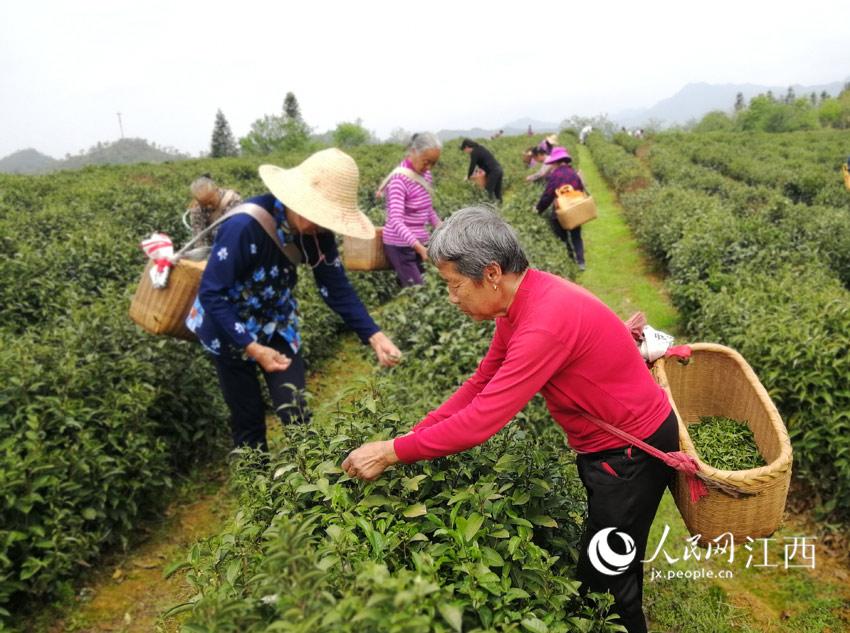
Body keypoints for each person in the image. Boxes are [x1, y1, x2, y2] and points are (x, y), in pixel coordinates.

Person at [342, 207, 678, 633]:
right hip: (614, 449)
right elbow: (481, 383)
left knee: (607, 587)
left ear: (492, 273)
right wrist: (418, 432)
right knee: (608, 568)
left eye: (455, 285)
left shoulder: (543, 324)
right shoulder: (521, 303)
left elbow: (482, 420)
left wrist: (392, 452)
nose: (452, 297)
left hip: (631, 455)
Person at [186, 148, 402, 453]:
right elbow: (211, 292)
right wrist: (252, 346)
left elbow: (334, 286)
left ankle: (309, 478)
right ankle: (258, 485)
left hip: (276, 325)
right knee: (247, 419)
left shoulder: (315, 232)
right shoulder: (243, 227)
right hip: (229, 329)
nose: (320, 226)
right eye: (317, 216)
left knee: (295, 408)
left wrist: (373, 334)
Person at [379, 132, 442, 287]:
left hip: (420, 243)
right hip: (400, 245)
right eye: (426, 162)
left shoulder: (425, 176)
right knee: (418, 289)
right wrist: (419, 247)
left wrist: (442, 227)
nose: (428, 168)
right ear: (413, 152)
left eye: (433, 163)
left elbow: (428, 209)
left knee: (428, 284)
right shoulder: (399, 180)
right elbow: (396, 221)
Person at [535, 147, 587, 271]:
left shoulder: (556, 175)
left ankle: (570, 258)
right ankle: (581, 262)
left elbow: (548, 195)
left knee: (562, 236)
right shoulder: (573, 173)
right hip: (574, 208)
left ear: (556, 162)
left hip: (561, 211)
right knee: (576, 236)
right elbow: (580, 189)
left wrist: (538, 209)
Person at [186, 175, 242, 248]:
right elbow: (198, 237)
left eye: (211, 202)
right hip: (212, 247)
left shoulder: (233, 200)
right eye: (204, 204)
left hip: (234, 244)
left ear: (216, 190)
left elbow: (238, 230)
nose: (208, 206)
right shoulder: (197, 208)